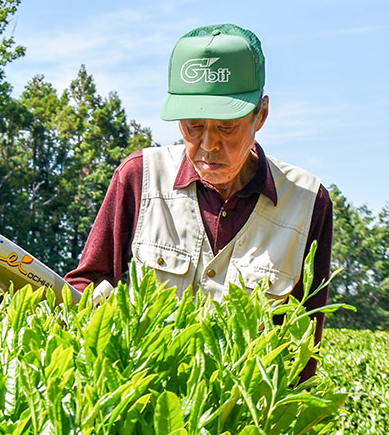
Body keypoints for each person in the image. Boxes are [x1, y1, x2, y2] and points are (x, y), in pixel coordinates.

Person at [64, 24, 332, 381]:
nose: (208, 145)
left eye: (226, 127)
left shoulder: (307, 202)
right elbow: (86, 287)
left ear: (261, 115)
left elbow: (303, 343)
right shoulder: (139, 177)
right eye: (193, 126)